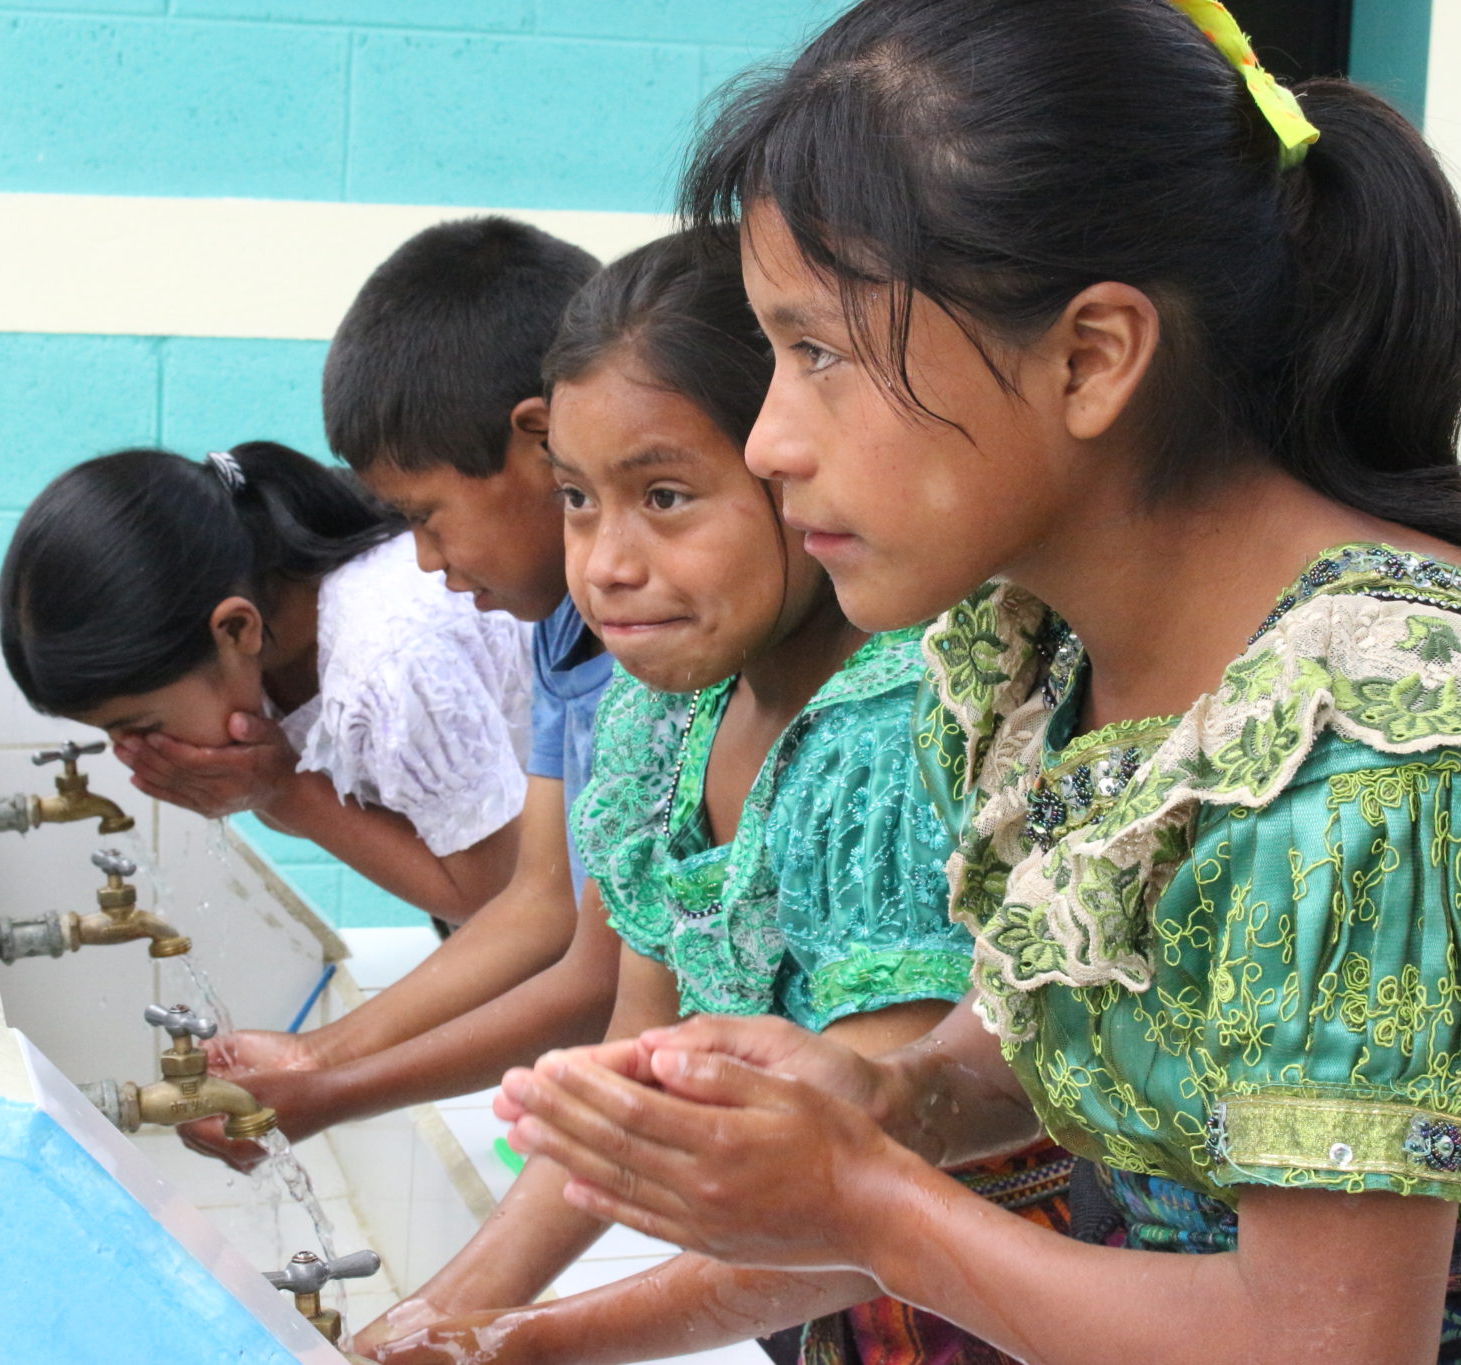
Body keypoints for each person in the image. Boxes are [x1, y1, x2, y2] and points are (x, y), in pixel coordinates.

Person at [497, 3, 1461, 1362]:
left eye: (820, 352)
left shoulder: (1369, 763)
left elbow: (1326, 1344)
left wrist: (867, 1199)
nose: (770, 440)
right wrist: (889, 1096)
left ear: (1090, 358)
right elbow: (1067, 1030)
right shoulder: (1048, 660)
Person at [358, 230, 1069, 1365]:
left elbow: (866, 1174)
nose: (605, 563)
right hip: (803, 1301)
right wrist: (434, 1321)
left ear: (797, 467)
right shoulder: (665, 715)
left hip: (981, 1311)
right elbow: (631, 1073)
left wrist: (521, 1345)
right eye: (579, 500)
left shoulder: (891, 729)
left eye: (668, 496)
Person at [166, 218, 637, 1164]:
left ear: (542, 444)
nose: (423, 558)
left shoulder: (668, 668)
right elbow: (554, 913)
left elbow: (595, 972)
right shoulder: (561, 635)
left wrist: (329, 1082)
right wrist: (314, 1062)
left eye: (426, 517)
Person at [0, 440, 531, 923]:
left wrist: (285, 789)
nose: (132, 752)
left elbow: (496, 898)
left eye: (137, 726)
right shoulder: (266, 647)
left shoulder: (388, 656)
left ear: (235, 628)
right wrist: (266, 787)